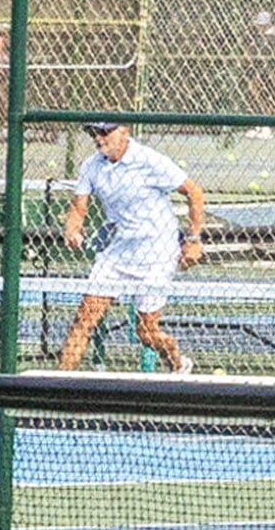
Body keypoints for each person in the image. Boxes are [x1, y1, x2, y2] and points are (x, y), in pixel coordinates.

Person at [60, 120, 204, 373]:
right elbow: (78, 206)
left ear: (124, 131)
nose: (99, 138)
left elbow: (194, 192)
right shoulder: (91, 166)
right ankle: (55, 390)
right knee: (83, 321)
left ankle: (178, 361)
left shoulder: (150, 160)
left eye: (106, 132)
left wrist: (193, 240)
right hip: (115, 255)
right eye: (95, 132)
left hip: (157, 255)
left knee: (146, 332)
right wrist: (73, 229)